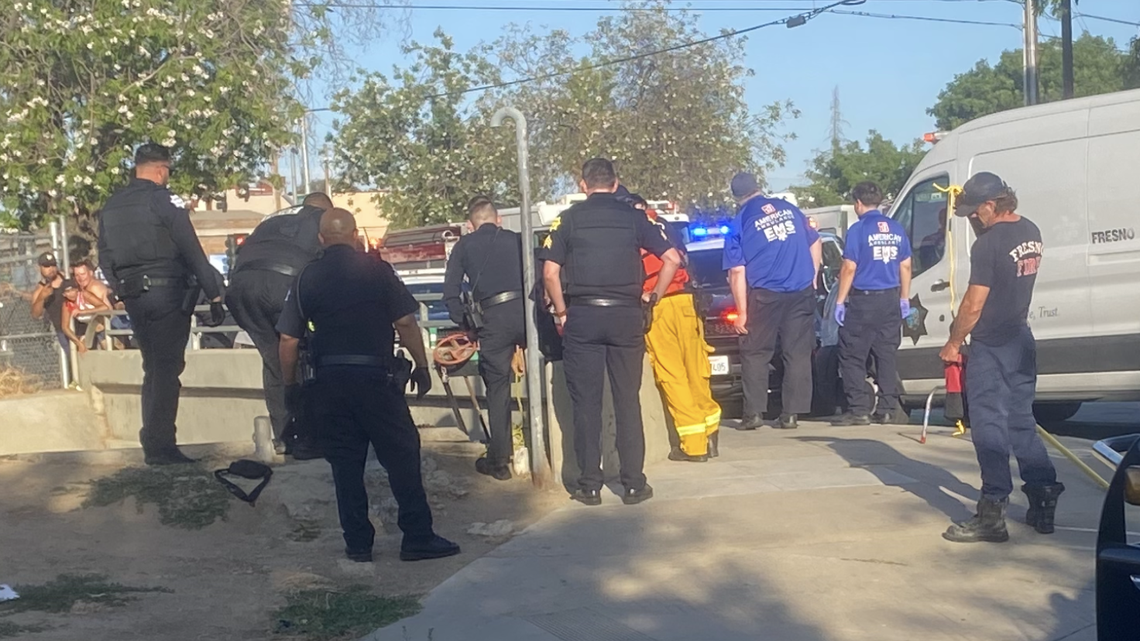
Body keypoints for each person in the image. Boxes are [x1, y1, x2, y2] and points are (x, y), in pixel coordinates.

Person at [277, 208, 460, 563]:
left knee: (345, 464)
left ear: (320, 238)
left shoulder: (306, 277)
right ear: (355, 235)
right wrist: (422, 366)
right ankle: (417, 536)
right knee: (403, 454)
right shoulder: (376, 270)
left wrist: (291, 387)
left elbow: (287, 340)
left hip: (330, 384)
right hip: (376, 382)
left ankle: (358, 544)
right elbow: (406, 321)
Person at [542, 158, 682, 506]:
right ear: (616, 183)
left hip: (583, 316)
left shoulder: (567, 220)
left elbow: (549, 273)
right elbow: (673, 259)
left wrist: (562, 312)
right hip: (626, 315)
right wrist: (653, 296)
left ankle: (589, 485)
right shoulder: (635, 217)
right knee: (626, 399)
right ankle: (633, 484)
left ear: (582, 184)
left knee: (585, 403)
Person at [939, 172, 1063, 544]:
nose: (973, 221)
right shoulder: (1031, 231)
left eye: (975, 214)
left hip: (991, 344)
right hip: (1021, 339)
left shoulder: (989, 245)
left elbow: (974, 303)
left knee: (989, 425)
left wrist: (953, 342)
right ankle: (1042, 497)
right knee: (1022, 420)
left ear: (991, 205)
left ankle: (992, 511)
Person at [97, 143, 226, 466]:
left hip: (134, 298)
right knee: (168, 369)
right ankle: (161, 444)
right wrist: (214, 292)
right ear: (160, 170)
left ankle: (152, 438)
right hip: (167, 294)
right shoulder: (164, 200)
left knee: (152, 367)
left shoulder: (111, 206)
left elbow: (105, 256)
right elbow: (191, 248)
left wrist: (121, 290)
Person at [226, 192, 333, 459]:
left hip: (240, 289)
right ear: (326, 209)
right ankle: (310, 435)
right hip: (284, 284)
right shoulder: (324, 220)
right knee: (307, 354)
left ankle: (284, 436)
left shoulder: (272, 220)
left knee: (274, 361)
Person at [623, 193, 721, 462]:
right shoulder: (664, 226)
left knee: (673, 375)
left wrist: (649, 295)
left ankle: (694, 445)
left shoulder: (633, 231)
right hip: (687, 302)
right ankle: (711, 433)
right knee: (696, 370)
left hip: (660, 304)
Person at [723, 172, 821, 430]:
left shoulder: (739, 222)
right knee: (797, 353)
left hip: (765, 294)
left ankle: (753, 414)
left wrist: (742, 311)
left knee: (755, 352)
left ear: (736, 197)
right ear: (758, 188)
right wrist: (812, 277)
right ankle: (791, 414)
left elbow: (737, 271)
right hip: (800, 292)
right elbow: (815, 241)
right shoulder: (789, 209)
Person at [442, 196, 527, 481]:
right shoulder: (518, 239)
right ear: (498, 219)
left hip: (492, 321)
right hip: (526, 315)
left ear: (470, 225)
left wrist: (467, 324)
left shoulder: (464, 246)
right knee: (544, 374)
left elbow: (451, 292)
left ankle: (500, 461)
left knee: (497, 388)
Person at [832, 182, 912, 426]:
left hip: (864, 300)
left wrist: (840, 301)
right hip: (890, 298)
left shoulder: (858, 230)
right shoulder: (897, 228)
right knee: (886, 354)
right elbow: (906, 265)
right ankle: (887, 409)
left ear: (858, 203)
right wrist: (904, 298)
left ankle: (859, 410)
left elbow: (849, 267)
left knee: (852, 355)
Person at [30, 252, 68, 352]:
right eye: (47, 266)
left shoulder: (68, 278)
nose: (51, 268)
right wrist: (42, 297)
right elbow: (35, 314)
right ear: (39, 268)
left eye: (53, 265)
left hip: (80, 325)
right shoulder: (40, 289)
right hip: (63, 331)